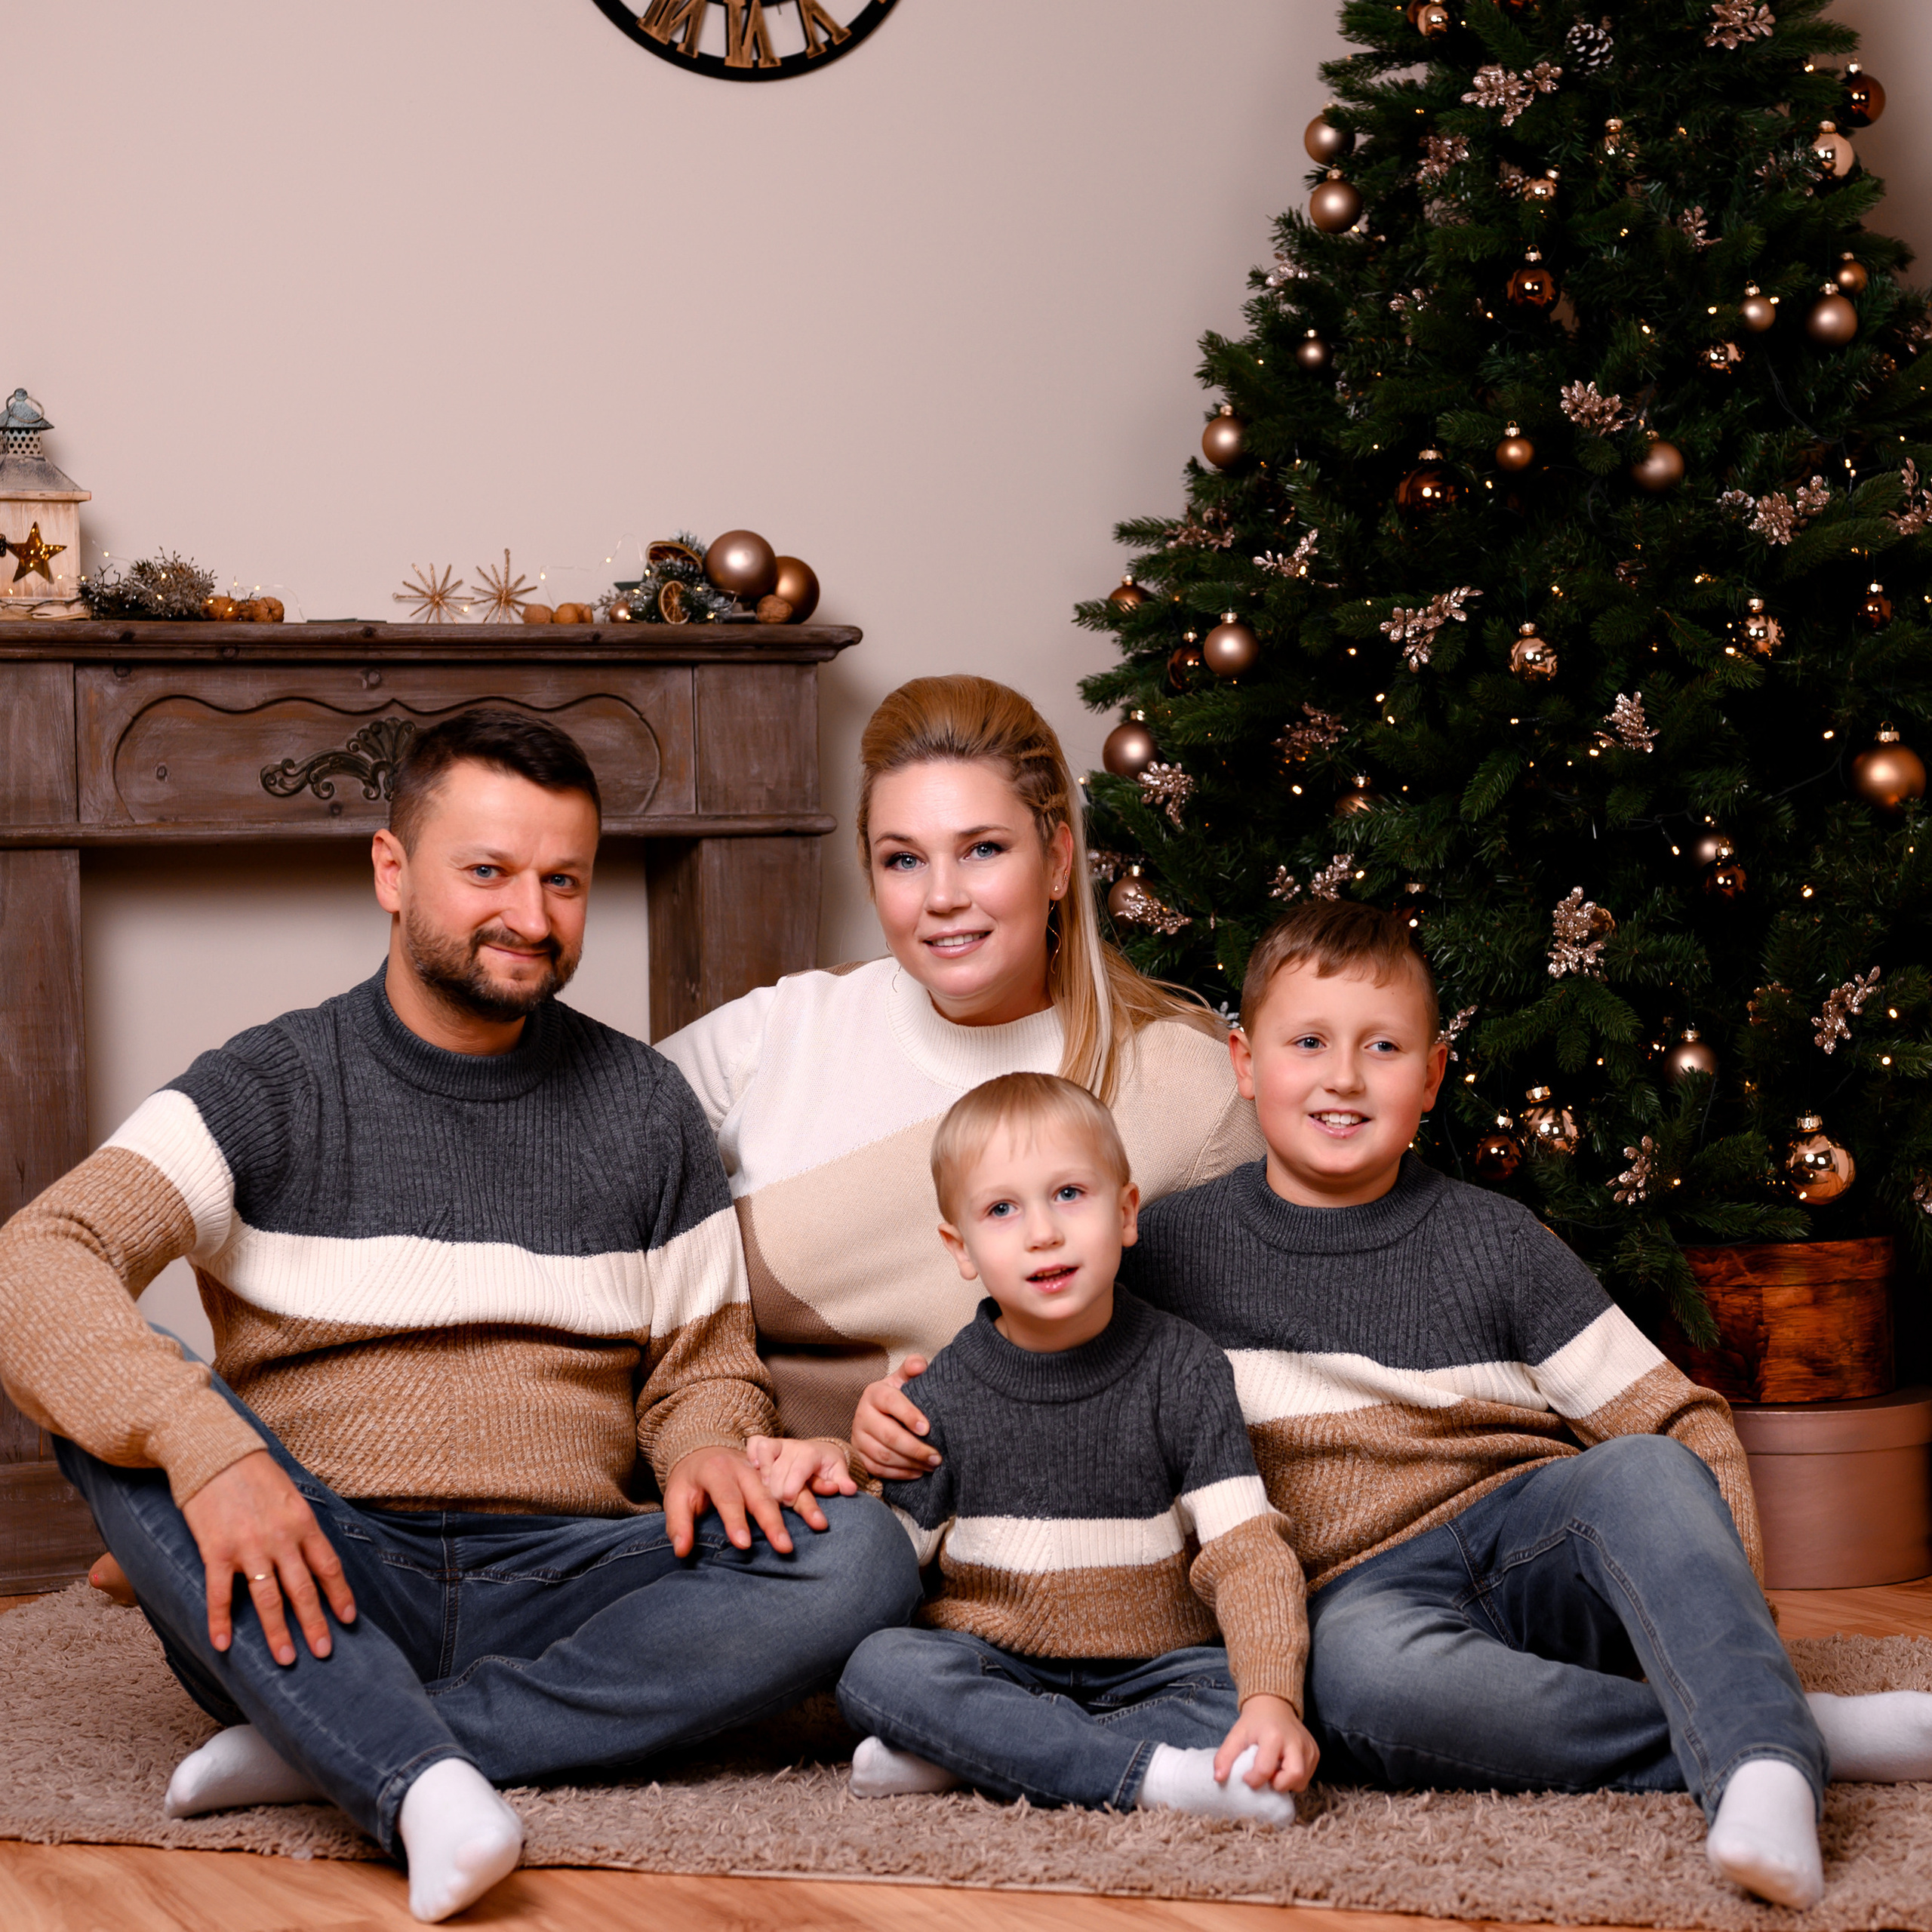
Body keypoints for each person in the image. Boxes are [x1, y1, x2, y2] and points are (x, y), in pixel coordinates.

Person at [0, 710, 918, 1924]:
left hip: (570, 1577)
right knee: (110, 1407)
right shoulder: (271, 1085)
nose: (529, 917)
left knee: (860, 1553)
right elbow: (33, 1260)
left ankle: (353, 1741)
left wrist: (706, 1450)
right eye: (487, 871)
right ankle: (397, 1749)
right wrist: (207, 1449)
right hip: (318, 1570)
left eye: (563, 881)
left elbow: (702, 1369)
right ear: (392, 870)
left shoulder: (645, 1109)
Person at [858, 898, 1932, 1909]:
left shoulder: (1499, 1243)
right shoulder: (1162, 1246)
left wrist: (1738, 1620)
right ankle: (1777, 1731)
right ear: (1245, 1064)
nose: (1343, 1077)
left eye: (1382, 1046)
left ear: (1431, 1077)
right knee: (1360, 1686)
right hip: (1362, 1598)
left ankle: (1755, 1744)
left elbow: (1676, 1418)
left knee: (1648, 1470)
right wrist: (897, 1411)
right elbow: (1031, 1339)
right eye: (1307, 1042)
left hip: (1528, 1530)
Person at [658, 674, 1262, 1473]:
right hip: (772, 1498)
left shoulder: (1191, 1090)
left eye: (982, 850)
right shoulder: (783, 1030)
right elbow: (579, 1132)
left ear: (1057, 861)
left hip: (1011, 1515)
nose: (941, 897)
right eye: (904, 859)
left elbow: (1255, 1373)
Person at [835, 1072, 1312, 1819]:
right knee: (879, 1669)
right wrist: (846, 1464)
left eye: (1068, 1194)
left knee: (1244, 1698)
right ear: (961, 1248)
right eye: (1001, 1209)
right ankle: (1158, 1779)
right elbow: (885, 1561)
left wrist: (1271, 1701)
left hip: (1156, 1671)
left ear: (1125, 1213)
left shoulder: (1184, 1369)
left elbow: (1246, 1552)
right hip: (995, 1665)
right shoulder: (939, 1394)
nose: (1042, 1233)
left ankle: (980, 1752)